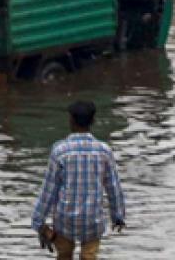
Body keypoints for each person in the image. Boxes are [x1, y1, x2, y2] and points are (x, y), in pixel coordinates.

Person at [31, 100, 126, 260]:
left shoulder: (60, 151)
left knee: (64, 254)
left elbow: (49, 191)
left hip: (65, 222)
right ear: (93, 121)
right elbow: (113, 189)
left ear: (71, 121)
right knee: (89, 255)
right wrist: (118, 216)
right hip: (92, 221)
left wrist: (39, 223)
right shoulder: (104, 151)